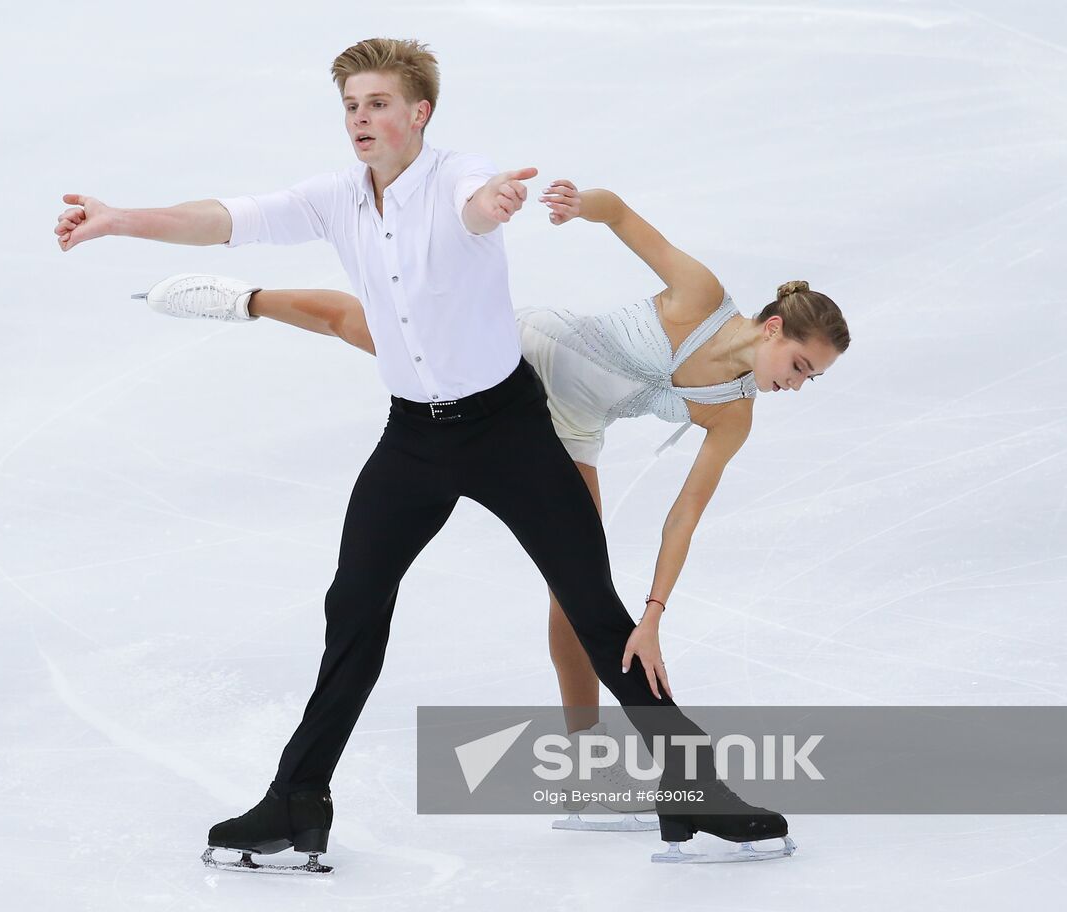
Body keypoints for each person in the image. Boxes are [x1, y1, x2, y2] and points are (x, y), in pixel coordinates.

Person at [55, 37, 800, 870]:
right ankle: (297, 800)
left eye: (378, 104)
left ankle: (693, 795)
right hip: (413, 440)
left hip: (509, 432)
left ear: (419, 114)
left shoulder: (454, 177)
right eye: (351, 106)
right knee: (353, 613)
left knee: (594, 607)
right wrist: (122, 221)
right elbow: (232, 217)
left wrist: (495, 201)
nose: (361, 120)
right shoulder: (336, 198)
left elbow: (474, 203)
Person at [138, 185, 851, 743]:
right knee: (375, 329)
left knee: (579, 586)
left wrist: (656, 613)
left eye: (809, 378)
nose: (797, 383)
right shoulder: (699, 294)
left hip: (575, 427)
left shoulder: (735, 412)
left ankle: (582, 759)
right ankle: (245, 300)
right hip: (536, 355)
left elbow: (684, 515)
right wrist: (580, 204)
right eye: (798, 365)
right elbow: (621, 216)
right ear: (773, 327)